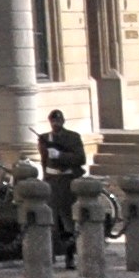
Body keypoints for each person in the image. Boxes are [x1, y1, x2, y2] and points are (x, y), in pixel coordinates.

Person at [38, 111, 91, 258]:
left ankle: (70, 255)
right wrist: (45, 178)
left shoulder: (73, 137)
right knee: (53, 220)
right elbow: (44, 161)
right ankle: (53, 253)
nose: (56, 124)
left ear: (63, 121)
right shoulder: (44, 138)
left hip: (68, 181)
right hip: (53, 182)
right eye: (53, 121)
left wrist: (61, 155)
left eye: (58, 121)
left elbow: (80, 158)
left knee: (69, 219)